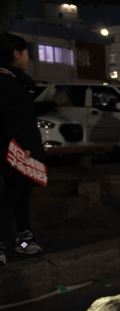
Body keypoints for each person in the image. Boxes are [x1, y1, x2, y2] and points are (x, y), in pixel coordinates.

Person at [0, 33, 45, 266]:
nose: (28, 57)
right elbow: (11, 119)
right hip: (14, 152)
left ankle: (23, 239)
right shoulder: (7, 82)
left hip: (18, 151)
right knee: (11, 197)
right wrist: (23, 146)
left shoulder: (16, 81)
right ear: (15, 54)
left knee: (20, 196)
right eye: (26, 52)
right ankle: (9, 243)